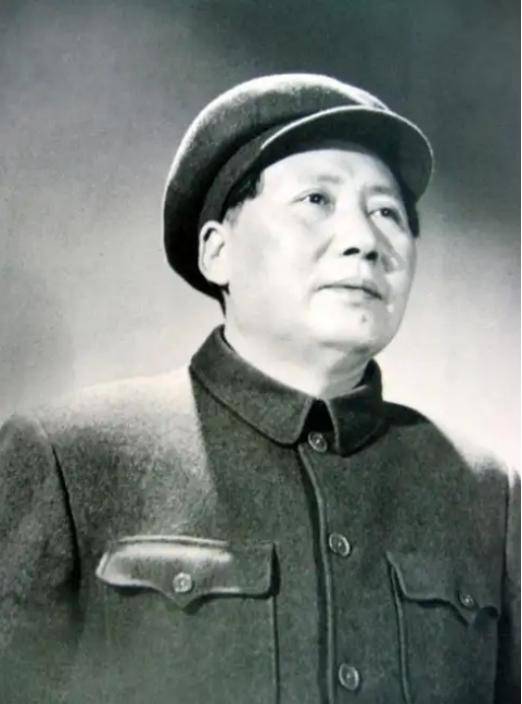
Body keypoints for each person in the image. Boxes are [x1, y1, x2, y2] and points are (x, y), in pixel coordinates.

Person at [0, 74, 519, 704]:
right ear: (217, 252)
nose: (365, 241)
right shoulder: (68, 460)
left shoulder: (486, 491)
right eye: (316, 200)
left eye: (387, 212)